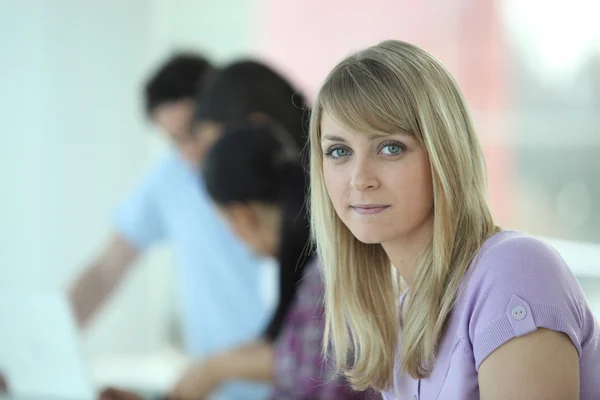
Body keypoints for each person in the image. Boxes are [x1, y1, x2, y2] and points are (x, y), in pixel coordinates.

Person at [308, 40, 600, 399]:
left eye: (390, 147)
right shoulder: (403, 322)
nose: (359, 178)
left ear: (443, 153)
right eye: (339, 151)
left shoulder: (513, 272)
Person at [70, 54, 270, 400]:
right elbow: (105, 270)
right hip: (217, 389)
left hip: (294, 382)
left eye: (194, 132)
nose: (190, 153)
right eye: (174, 140)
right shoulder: (172, 178)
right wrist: (41, 348)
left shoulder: (281, 178)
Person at [170, 123, 378, 399]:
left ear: (243, 216)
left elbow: (314, 374)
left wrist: (216, 368)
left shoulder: (325, 275)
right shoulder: (322, 264)